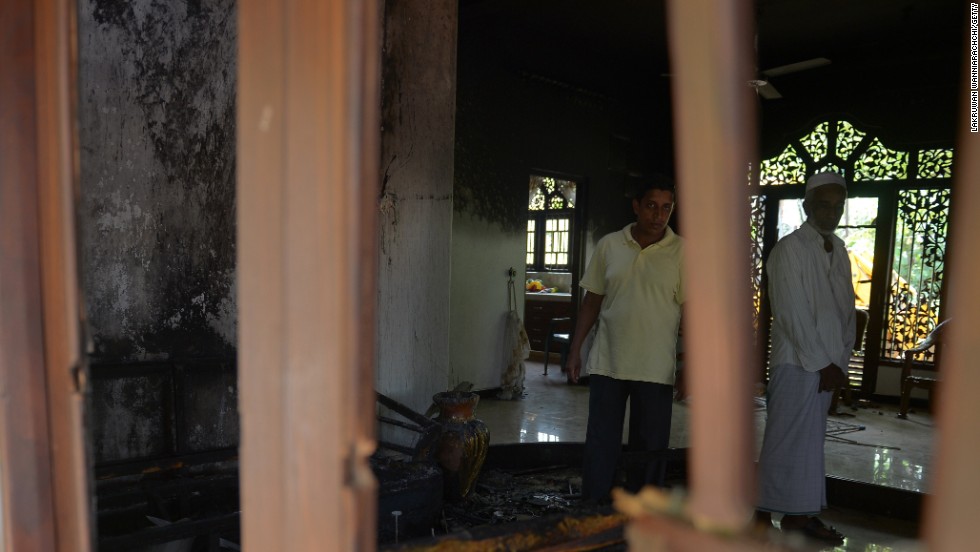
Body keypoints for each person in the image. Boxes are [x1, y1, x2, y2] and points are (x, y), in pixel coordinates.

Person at [565, 177, 684, 501]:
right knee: (601, 443)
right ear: (636, 206)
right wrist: (575, 350)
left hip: (655, 369)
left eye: (666, 208)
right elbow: (592, 301)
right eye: (651, 206)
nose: (658, 216)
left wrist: (689, 365)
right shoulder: (609, 245)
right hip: (609, 363)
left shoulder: (682, 252)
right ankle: (595, 513)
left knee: (649, 450)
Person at [755, 171, 855, 545]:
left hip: (827, 368)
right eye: (823, 205)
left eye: (837, 206)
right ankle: (761, 512)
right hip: (797, 363)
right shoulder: (789, 249)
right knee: (784, 439)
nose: (831, 213)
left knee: (810, 445)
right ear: (806, 206)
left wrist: (841, 361)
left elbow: (847, 311)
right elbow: (790, 313)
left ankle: (799, 516)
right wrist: (824, 363)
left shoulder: (840, 249)